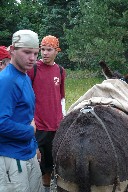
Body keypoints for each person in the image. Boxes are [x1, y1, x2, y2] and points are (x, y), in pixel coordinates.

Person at [0, 29, 43, 191]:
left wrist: (35, 146)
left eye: (35, 53)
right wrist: (29, 131)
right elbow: (1, 122)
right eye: (26, 52)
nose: (32, 58)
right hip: (10, 157)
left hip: (27, 152)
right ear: (12, 50)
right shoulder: (7, 81)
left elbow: (26, 116)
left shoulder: (24, 76)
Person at [27, 35, 66, 187]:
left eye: (49, 50)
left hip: (55, 127)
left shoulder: (61, 71)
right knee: (35, 164)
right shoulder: (33, 69)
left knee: (50, 166)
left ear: (57, 51)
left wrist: (62, 118)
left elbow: (61, 97)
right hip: (37, 126)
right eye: (42, 49)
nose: (45, 53)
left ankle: (47, 188)